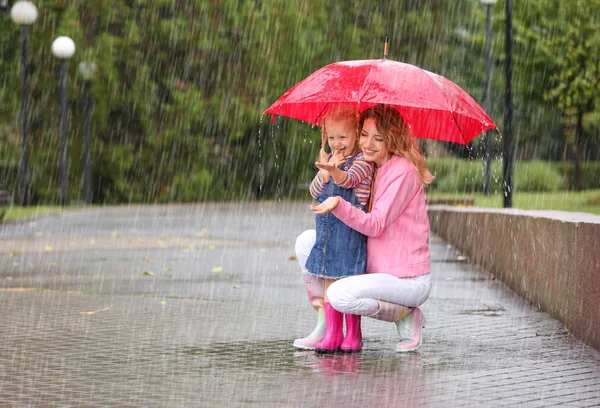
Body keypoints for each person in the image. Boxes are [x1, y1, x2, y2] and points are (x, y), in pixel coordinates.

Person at [296, 104, 434, 352]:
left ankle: (405, 314)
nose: (368, 143)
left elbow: (375, 225)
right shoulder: (370, 166)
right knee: (306, 242)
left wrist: (338, 203)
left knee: (339, 294)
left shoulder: (402, 172)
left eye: (378, 138)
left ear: (392, 139)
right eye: (364, 135)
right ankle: (325, 324)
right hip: (376, 268)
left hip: (406, 279)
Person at [293, 105, 375, 353]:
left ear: (357, 135)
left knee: (346, 287)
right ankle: (332, 333)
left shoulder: (363, 162)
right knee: (330, 284)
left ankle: (354, 335)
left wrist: (335, 170)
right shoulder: (330, 160)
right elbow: (315, 191)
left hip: (349, 237)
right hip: (329, 236)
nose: (337, 143)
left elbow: (348, 180)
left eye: (343, 137)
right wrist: (326, 172)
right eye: (331, 138)